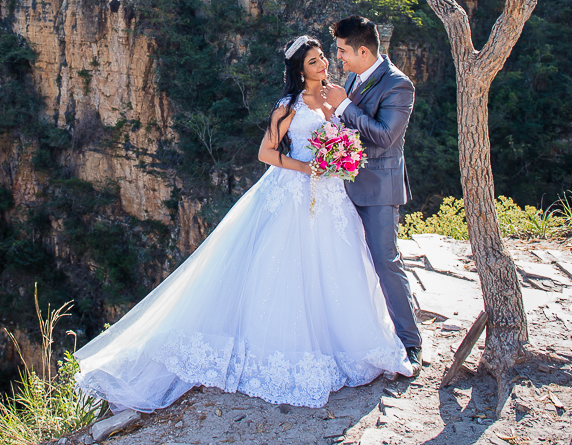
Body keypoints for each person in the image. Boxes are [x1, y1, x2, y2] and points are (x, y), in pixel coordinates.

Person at [74, 35, 412, 413]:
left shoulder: (336, 96)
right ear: (300, 70)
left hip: (332, 195)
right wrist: (308, 167)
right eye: (314, 62)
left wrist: (341, 157)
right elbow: (266, 152)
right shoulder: (288, 106)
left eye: (323, 59)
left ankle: (350, 344)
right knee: (287, 268)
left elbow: (353, 133)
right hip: (296, 190)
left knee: (338, 265)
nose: (324, 65)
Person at [324, 15, 423, 376]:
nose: (340, 60)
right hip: (345, 185)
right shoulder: (353, 77)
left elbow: (384, 135)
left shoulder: (399, 85)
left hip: (379, 189)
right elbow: (347, 127)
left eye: (343, 51)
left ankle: (410, 342)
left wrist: (344, 107)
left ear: (363, 51)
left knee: (385, 261)